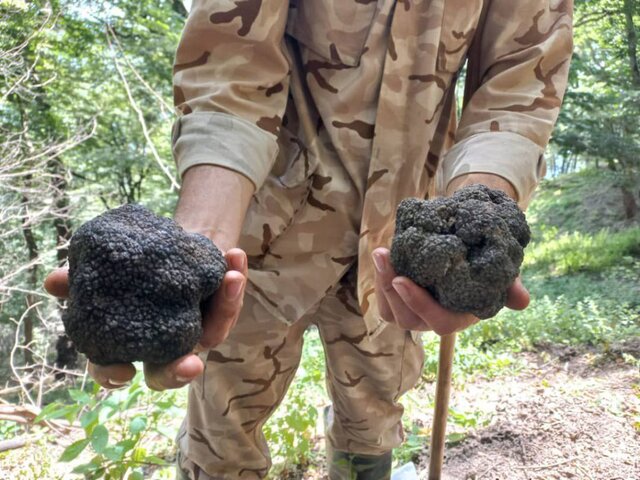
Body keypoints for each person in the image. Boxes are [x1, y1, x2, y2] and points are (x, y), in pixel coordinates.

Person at [45, 0, 573, 478]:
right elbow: (233, 58)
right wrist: (197, 246)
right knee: (222, 437)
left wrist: (474, 222)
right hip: (259, 235)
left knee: (372, 420)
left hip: (402, 245)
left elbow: (521, 75)